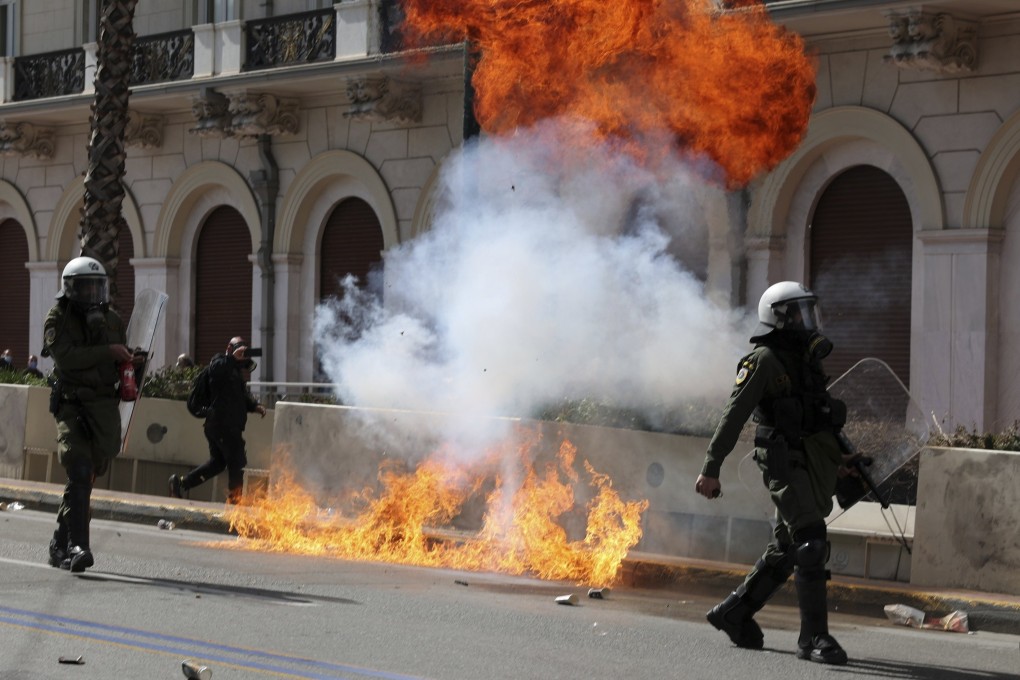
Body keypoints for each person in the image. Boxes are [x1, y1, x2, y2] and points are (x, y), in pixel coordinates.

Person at [695, 281, 855, 666]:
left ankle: (734, 612)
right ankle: (813, 638)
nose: (807, 320)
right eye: (798, 313)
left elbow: (821, 416)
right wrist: (710, 468)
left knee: (787, 549)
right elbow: (733, 416)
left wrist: (846, 457)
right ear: (778, 318)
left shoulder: (807, 360)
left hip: (815, 459)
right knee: (811, 542)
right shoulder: (763, 360)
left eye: (808, 311)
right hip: (784, 462)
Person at [42, 256, 137, 572]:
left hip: (103, 408)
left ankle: (59, 543)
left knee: (89, 475)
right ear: (70, 288)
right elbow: (67, 358)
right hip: (73, 406)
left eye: (97, 286)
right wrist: (107, 352)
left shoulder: (112, 320)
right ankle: (78, 547)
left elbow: (118, 355)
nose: (92, 293)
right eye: (85, 287)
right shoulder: (58, 318)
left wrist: (130, 361)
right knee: (79, 471)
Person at [169, 336, 266, 504]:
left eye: (244, 350)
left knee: (218, 463)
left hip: (223, 425)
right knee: (237, 461)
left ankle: (181, 484)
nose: (242, 353)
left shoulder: (235, 371)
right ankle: (235, 502)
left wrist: (254, 406)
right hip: (222, 424)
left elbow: (239, 397)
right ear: (230, 348)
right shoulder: (220, 362)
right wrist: (232, 357)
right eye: (239, 348)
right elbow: (216, 369)